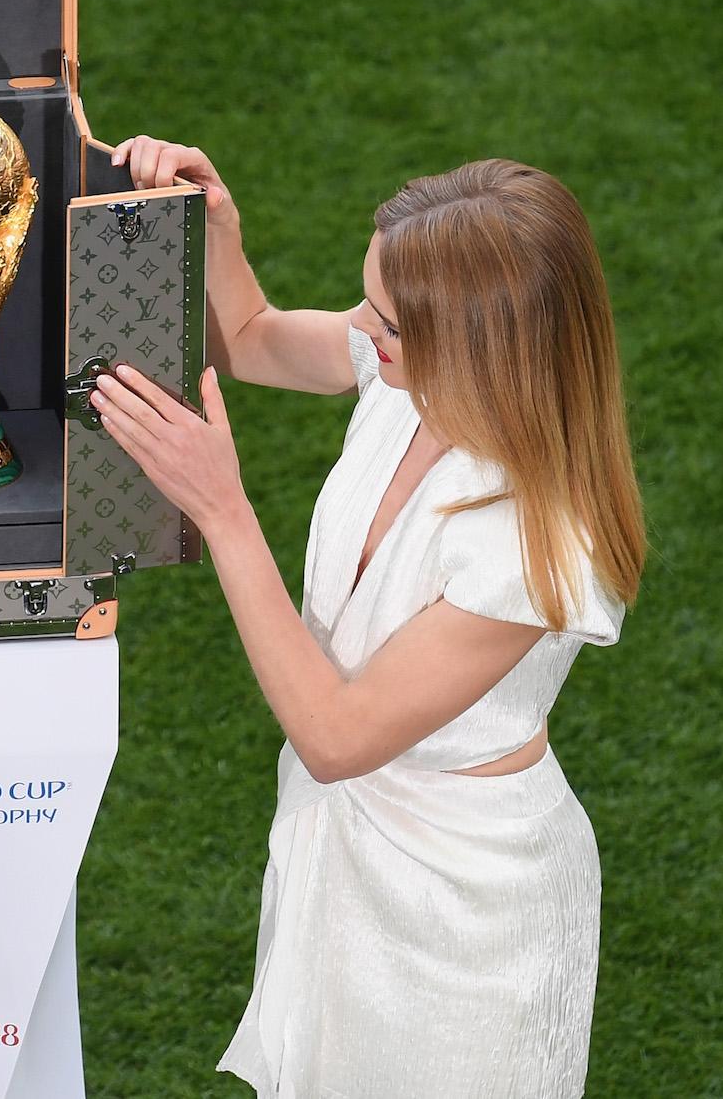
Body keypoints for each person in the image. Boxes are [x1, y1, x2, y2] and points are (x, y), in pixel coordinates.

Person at [95, 139, 645, 1097]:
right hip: (348, 862)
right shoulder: (414, 377)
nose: (365, 335)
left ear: (480, 340)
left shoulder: (536, 538)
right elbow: (255, 337)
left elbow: (335, 734)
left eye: (386, 323)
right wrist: (217, 233)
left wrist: (221, 507)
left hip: (467, 914)